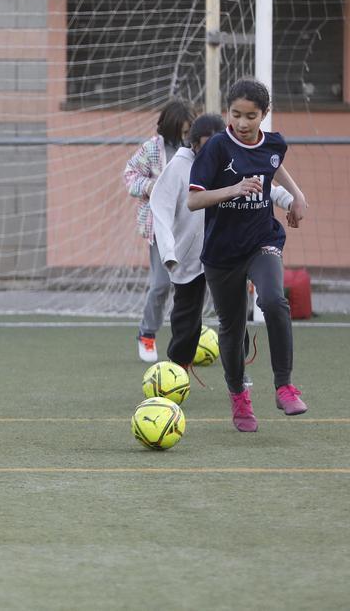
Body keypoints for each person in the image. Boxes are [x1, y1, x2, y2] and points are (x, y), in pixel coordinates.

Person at [187, 78, 309, 432]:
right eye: (236, 114)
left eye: (250, 116)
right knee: (233, 325)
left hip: (261, 242)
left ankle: (284, 385)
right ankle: (239, 394)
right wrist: (234, 189)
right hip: (222, 253)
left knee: (273, 300)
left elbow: (274, 164)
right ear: (228, 112)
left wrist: (296, 196)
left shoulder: (273, 143)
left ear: (264, 115)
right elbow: (193, 199)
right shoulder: (216, 149)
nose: (242, 122)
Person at [150, 112, 293, 379]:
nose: (211, 152)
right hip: (188, 257)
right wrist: (169, 253)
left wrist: (291, 199)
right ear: (193, 144)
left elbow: (264, 187)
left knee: (234, 318)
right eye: (204, 147)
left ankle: (238, 372)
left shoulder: (231, 161)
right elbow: (160, 208)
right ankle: (176, 371)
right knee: (186, 318)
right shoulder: (179, 168)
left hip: (226, 251)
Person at [124, 98, 194, 363]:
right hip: (160, 228)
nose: (186, 137)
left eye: (190, 132)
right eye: (182, 132)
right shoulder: (152, 149)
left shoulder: (196, 149)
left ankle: (189, 338)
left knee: (193, 285)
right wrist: (150, 187)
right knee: (162, 284)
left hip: (191, 227)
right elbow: (130, 175)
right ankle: (147, 334)